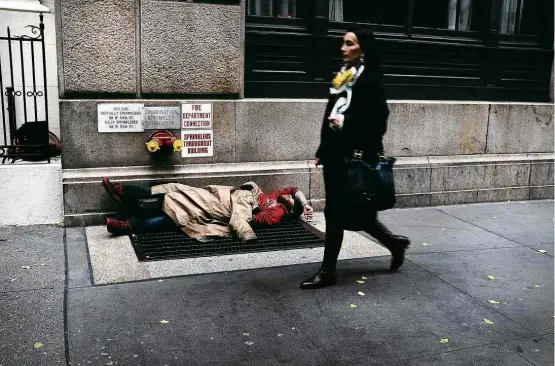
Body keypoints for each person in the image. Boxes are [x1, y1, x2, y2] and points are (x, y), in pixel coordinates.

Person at [300, 28, 410, 290]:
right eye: (343, 43)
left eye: (349, 44)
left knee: (336, 213)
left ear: (362, 48)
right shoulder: (342, 77)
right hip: (336, 156)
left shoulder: (370, 80)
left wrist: (347, 122)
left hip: (355, 158)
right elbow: (330, 113)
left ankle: (328, 271)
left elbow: (378, 123)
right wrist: (322, 150)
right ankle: (394, 243)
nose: (343, 48)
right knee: (355, 214)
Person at [102, 178, 314, 240]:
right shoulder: (277, 197)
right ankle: (126, 194)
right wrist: (304, 204)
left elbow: (253, 221)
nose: (286, 194)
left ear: (289, 208)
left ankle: (128, 223)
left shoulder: (277, 212)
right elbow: (294, 188)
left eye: (289, 198)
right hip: (220, 196)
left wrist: (290, 207)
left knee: (177, 214)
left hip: (221, 209)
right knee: (175, 190)